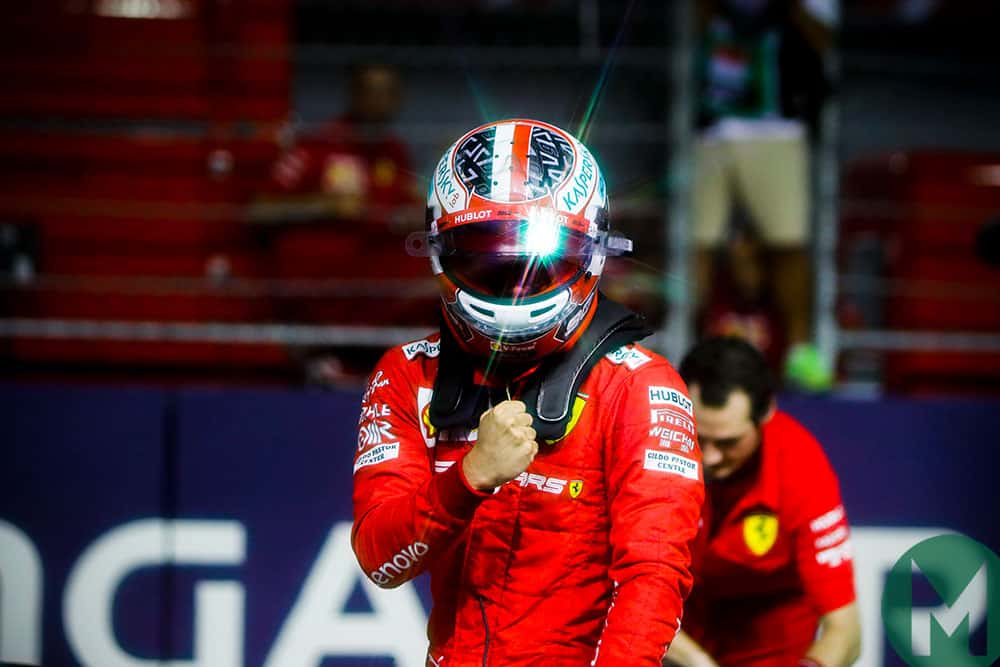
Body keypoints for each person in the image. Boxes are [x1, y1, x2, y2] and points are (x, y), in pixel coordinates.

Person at [351, 119, 705, 666]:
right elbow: (381, 561)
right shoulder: (406, 374)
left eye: (541, 264)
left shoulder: (642, 386)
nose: (516, 283)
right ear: (439, 252)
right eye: (486, 260)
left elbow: (652, 576)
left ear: (593, 252)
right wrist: (467, 479)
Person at [664, 336, 860, 667]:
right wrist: (697, 662)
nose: (710, 458)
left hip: (774, 655)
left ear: (766, 411)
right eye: (698, 437)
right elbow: (618, 592)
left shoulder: (801, 466)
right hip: (672, 644)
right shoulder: (657, 447)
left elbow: (847, 631)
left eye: (728, 443)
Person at [691, 0, 838, 390]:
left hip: (778, 128)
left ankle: (801, 354)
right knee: (698, 245)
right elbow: (692, 23)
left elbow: (824, 40)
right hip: (712, 126)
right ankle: (684, 348)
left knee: (787, 243)